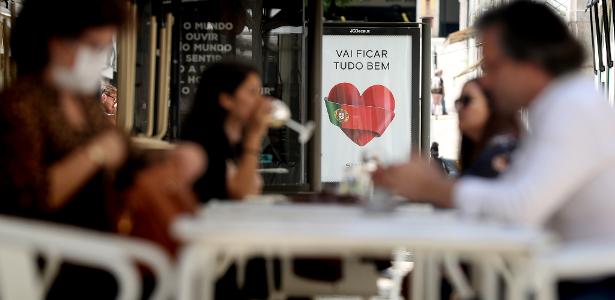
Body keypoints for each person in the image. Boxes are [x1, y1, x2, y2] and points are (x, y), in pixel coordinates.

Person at [373, 2, 615, 297]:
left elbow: (520, 207)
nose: (486, 80)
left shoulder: (572, 106)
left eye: (493, 67)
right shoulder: (560, 104)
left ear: (532, 61)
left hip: (590, 284)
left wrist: (433, 187)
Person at [0, 0, 204, 298]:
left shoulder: (83, 102)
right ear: (55, 43)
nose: (100, 58)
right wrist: (94, 155)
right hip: (52, 258)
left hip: (99, 248)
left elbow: (126, 155)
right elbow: (31, 196)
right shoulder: (20, 105)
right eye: (94, 47)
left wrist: (175, 157)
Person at [181, 61, 270, 202]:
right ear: (226, 99)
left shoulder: (236, 140)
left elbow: (253, 189)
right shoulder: (201, 146)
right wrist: (254, 136)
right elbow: (242, 194)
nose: (260, 101)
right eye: (252, 92)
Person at [456, 78, 517, 178]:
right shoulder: (480, 151)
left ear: (492, 105)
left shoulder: (502, 152)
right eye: (458, 102)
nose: (459, 108)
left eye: (467, 100)